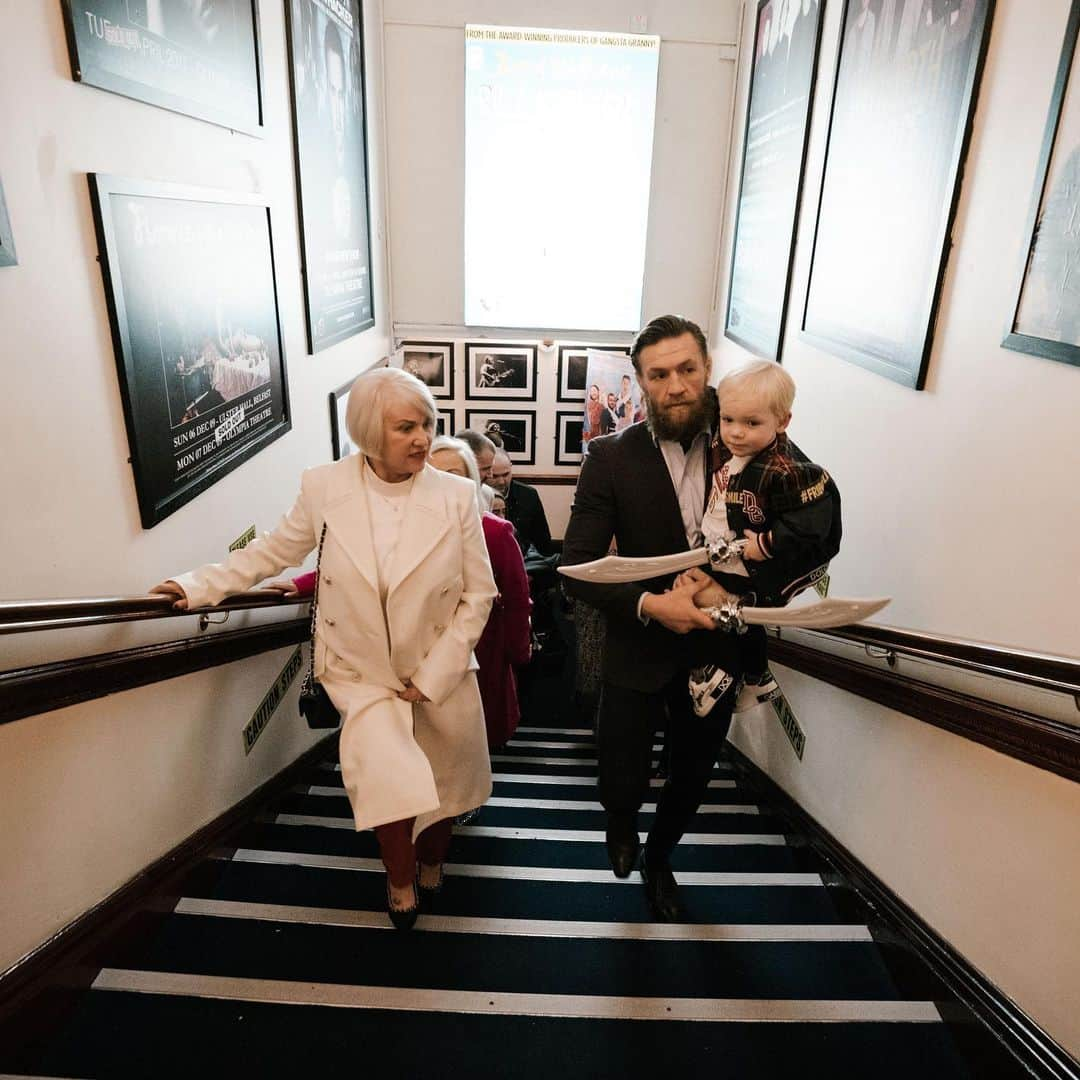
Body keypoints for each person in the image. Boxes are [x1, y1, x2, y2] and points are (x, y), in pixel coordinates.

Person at [151, 368, 496, 931]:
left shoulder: (456, 495)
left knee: (443, 788)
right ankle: (401, 881)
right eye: (405, 427)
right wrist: (195, 586)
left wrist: (434, 674)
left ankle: (432, 860)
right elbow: (270, 553)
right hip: (363, 673)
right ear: (367, 431)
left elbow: (479, 595)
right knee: (390, 788)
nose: (422, 439)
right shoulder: (325, 487)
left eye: (427, 424)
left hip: (440, 669)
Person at [561, 314, 734, 923]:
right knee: (621, 769)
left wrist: (725, 588)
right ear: (639, 383)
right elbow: (576, 565)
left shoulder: (750, 442)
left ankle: (660, 859)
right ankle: (620, 825)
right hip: (637, 644)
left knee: (691, 775)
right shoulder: (609, 457)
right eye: (658, 375)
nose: (676, 386)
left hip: (719, 651)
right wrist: (650, 604)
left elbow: (798, 541)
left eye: (687, 369)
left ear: (707, 367)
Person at [678, 359, 841, 718]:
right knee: (709, 605)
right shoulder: (735, 450)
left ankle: (726, 672)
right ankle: (755, 677)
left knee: (727, 611)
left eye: (752, 423)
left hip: (753, 565)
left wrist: (763, 545)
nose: (735, 432)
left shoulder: (789, 472)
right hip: (722, 553)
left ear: (782, 421)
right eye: (728, 420)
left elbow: (809, 528)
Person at [429, 437, 532, 748]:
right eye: (434, 474)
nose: (444, 483)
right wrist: (304, 584)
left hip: (481, 651)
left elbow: (517, 599)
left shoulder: (495, 532)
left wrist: (516, 652)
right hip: (421, 652)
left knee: (473, 738)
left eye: (455, 474)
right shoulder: (405, 526)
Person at [488, 449, 553, 557]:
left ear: (511, 467)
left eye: (505, 474)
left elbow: (543, 541)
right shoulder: (476, 494)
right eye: (494, 476)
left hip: (524, 561)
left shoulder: (528, 495)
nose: (501, 481)